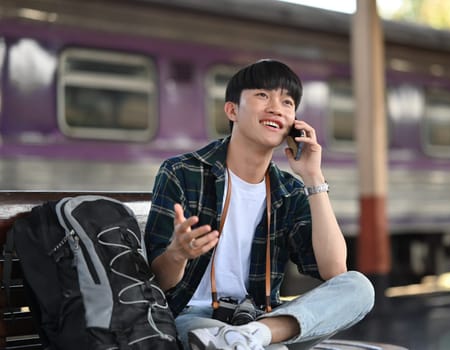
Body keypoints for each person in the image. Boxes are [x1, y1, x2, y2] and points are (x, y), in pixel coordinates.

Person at [145, 59, 374, 350]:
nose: (276, 107)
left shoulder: (288, 191)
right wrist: (178, 254)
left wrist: (313, 176)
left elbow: (334, 271)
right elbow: (156, 283)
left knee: (359, 288)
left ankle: (254, 337)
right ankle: (253, 340)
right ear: (232, 110)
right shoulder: (183, 172)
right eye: (263, 95)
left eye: (287, 102)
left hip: (262, 320)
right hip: (194, 318)